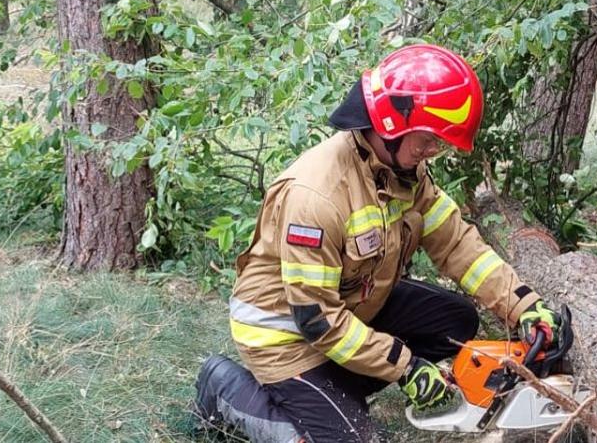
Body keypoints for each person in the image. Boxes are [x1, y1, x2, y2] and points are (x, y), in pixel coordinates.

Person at [194, 44, 574, 442]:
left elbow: (458, 243)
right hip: (288, 336)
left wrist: (525, 307)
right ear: (391, 124)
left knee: (457, 322)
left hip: (354, 301)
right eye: (428, 140)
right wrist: (405, 367)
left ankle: (337, 390)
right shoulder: (315, 197)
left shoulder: (402, 167)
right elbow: (319, 322)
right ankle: (225, 387)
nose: (433, 151)